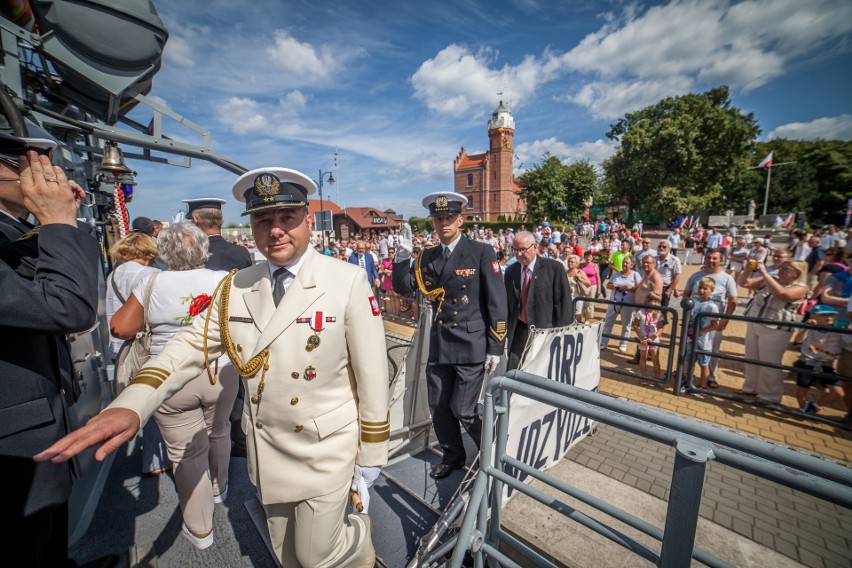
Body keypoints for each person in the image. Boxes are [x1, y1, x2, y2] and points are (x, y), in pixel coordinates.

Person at [36, 167, 389, 568]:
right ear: (252, 226)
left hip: (326, 449)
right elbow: (184, 349)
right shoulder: (236, 286)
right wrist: (132, 404)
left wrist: (372, 453)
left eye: (287, 218)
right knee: (286, 552)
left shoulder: (346, 281)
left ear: (308, 219)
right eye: (263, 220)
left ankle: (358, 542)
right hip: (268, 450)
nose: (275, 230)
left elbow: (373, 373)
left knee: (317, 555)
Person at [1, 138, 116, 568]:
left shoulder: (12, 228)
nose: (51, 176)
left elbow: (56, 273)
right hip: (13, 444)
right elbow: (68, 307)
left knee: (44, 540)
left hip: (36, 428)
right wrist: (57, 222)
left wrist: (63, 221)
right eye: (30, 164)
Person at [110, 221, 236, 549]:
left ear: (163, 252)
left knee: (183, 452)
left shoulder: (152, 283)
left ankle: (200, 529)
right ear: (202, 249)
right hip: (219, 371)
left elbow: (120, 328)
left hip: (168, 377)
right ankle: (219, 488)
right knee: (219, 432)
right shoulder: (222, 280)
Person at [392, 192, 507, 479]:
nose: (443, 223)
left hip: (471, 344)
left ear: (461, 220)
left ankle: (490, 449)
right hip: (441, 343)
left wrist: (496, 346)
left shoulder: (481, 252)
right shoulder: (428, 256)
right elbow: (404, 287)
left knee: (463, 409)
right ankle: (453, 456)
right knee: (440, 407)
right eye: (438, 218)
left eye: (449, 218)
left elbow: (497, 301)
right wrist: (402, 256)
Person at [184, 197, 254, 458]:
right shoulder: (240, 253)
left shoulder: (189, 256)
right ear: (222, 220)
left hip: (196, 336)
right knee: (235, 393)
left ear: (194, 220)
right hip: (236, 331)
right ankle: (238, 441)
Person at [105, 232, 171, 477]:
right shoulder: (151, 275)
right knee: (155, 402)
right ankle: (156, 460)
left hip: (121, 348)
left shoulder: (114, 275)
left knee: (133, 399)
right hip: (146, 347)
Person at [736, 259, 809, 402]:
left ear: (796, 273)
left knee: (770, 364)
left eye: (786, 268)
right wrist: (748, 270)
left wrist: (764, 272)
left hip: (776, 330)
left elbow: (783, 294)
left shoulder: (801, 288)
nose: (781, 270)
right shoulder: (771, 278)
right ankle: (750, 388)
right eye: (782, 267)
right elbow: (744, 283)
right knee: (751, 360)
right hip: (755, 323)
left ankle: (770, 396)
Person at [504, 231, 573, 370]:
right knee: (513, 368)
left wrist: (562, 334)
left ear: (535, 247)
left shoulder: (554, 268)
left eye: (522, 249)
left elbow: (563, 304)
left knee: (540, 370)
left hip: (545, 331)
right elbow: (508, 303)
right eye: (515, 249)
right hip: (519, 330)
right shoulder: (511, 271)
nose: (518, 254)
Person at [682, 250, 738, 387]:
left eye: (714, 258)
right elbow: (686, 294)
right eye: (708, 258)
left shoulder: (726, 278)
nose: (711, 260)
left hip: (713, 323)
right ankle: (686, 375)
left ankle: (710, 377)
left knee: (712, 350)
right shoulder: (696, 276)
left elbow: (732, 300)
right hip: (694, 320)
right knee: (689, 349)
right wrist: (687, 316)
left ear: (720, 261)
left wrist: (725, 319)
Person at [793, 305, 846, 414]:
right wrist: (807, 327)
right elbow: (797, 341)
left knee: (838, 392)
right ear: (813, 317)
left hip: (826, 365)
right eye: (823, 315)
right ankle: (803, 407)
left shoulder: (839, 331)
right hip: (807, 362)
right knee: (803, 387)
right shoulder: (809, 329)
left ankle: (814, 405)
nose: (829, 317)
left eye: (831, 315)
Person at [185, 197, 253, 271]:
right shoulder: (242, 252)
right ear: (222, 220)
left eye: (191, 221)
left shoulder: (191, 255)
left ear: (195, 219)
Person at [687, 277, 722, 395]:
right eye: (700, 288)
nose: (702, 291)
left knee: (704, 363)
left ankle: (702, 386)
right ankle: (688, 382)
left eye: (705, 289)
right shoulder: (695, 302)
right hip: (691, 337)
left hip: (704, 340)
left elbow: (715, 325)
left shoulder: (712, 306)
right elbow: (691, 317)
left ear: (711, 290)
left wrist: (700, 331)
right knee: (690, 360)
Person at [600, 256, 642, 352]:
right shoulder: (616, 274)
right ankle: (603, 343)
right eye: (624, 262)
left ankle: (623, 343)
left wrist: (628, 288)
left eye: (627, 263)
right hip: (614, 302)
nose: (624, 264)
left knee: (626, 324)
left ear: (632, 265)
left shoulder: (636, 275)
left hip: (628, 304)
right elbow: (608, 285)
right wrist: (613, 286)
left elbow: (639, 288)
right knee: (608, 322)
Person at [632, 292, 665, 380]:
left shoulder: (659, 313)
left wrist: (653, 337)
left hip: (654, 339)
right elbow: (635, 325)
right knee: (643, 358)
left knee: (655, 359)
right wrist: (640, 336)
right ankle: (643, 377)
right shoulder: (641, 312)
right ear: (647, 301)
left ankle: (657, 379)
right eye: (654, 301)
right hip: (643, 338)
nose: (655, 304)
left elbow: (661, 328)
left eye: (658, 302)